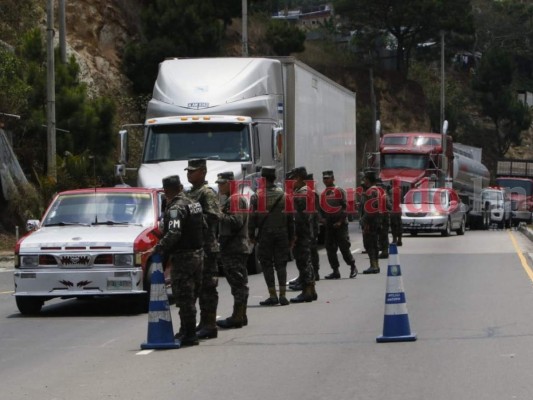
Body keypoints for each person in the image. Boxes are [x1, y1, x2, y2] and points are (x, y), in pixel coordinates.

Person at [152, 175, 204, 346]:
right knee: (192, 294)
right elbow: (204, 226)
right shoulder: (194, 203)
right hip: (198, 254)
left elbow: (174, 233)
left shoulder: (175, 208)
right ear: (181, 186)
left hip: (184, 257)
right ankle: (185, 330)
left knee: (184, 297)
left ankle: (189, 333)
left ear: (166, 190)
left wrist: (159, 248)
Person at [185, 158, 222, 339]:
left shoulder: (207, 193)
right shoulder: (191, 193)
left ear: (203, 172)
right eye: (188, 171)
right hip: (195, 248)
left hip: (207, 247)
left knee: (208, 287)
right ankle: (203, 322)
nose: (189, 174)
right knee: (197, 288)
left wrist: (195, 220)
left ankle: (210, 324)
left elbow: (214, 217)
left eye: (193, 171)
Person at [249, 166, 295, 306]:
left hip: (265, 235)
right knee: (281, 264)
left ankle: (272, 295)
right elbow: (290, 219)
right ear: (275, 178)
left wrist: (251, 235)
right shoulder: (285, 196)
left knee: (267, 264)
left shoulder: (257, 196)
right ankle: (283, 295)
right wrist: (291, 237)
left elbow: (252, 219)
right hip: (282, 234)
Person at [215, 171, 250, 329]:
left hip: (234, 247)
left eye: (222, 183)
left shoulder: (234, 199)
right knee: (239, 283)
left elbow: (236, 221)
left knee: (237, 284)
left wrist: (219, 214)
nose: (219, 186)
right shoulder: (233, 199)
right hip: (235, 246)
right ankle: (241, 315)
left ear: (231, 183)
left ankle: (238, 316)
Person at [286, 167, 317, 303]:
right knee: (306, 262)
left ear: (298, 178)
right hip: (305, 232)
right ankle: (311, 290)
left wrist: (294, 235)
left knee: (303, 262)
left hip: (301, 233)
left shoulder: (301, 194)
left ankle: (307, 291)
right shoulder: (305, 191)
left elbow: (298, 218)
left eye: (292, 178)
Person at [321, 170, 358, 279]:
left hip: (340, 225)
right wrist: (322, 219)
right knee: (330, 248)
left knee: (344, 247)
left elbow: (346, 208)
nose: (325, 180)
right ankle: (335, 270)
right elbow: (321, 209)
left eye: (327, 178)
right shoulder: (323, 193)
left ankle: (352, 266)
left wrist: (340, 221)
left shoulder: (339, 191)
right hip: (329, 225)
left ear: (333, 179)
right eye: (324, 178)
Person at [360, 171, 381, 274]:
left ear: (368, 180)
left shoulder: (371, 191)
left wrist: (363, 220)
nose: (364, 181)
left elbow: (371, 208)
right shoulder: (374, 190)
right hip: (374, 220)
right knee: (373, 244)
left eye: (365, 179)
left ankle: (374, 265)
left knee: (369, 244)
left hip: (370, 221)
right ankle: (375, 265)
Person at [377, 179, 391, 259]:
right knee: (382, 235)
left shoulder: (384, 196)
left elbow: (390, 207)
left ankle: (385, 251)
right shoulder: (383, 196)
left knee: (383, 235)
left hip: (383, 219)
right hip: (381, 219)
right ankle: (383, 250)